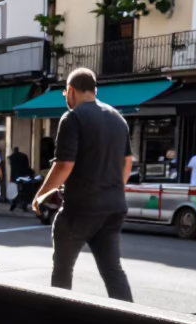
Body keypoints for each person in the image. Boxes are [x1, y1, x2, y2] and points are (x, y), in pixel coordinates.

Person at [31, 67, 134, 301]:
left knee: (63, 270)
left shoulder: (73, 117)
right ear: (94, 90)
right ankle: (132, 323)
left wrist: (40, 195)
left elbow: (64, 165)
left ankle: (59, 321)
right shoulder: (118, 118)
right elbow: (127, 162)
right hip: (113, 207)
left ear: (70, 90)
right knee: (112, 270)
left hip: (81, 208)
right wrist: (114, 187)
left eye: (65, 93)